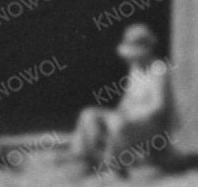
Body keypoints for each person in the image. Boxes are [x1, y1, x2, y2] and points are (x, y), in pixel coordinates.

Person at [73, 23, 177, 177]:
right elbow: (128, 99)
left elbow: (158, 107)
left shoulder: (158, 69)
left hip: (152, 125)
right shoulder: (135, 68)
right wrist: (118, 113)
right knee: (89, 114)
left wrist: (127, 117)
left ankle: (115, 168)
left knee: (118, 124)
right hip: (129, 118)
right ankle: (86, 161)